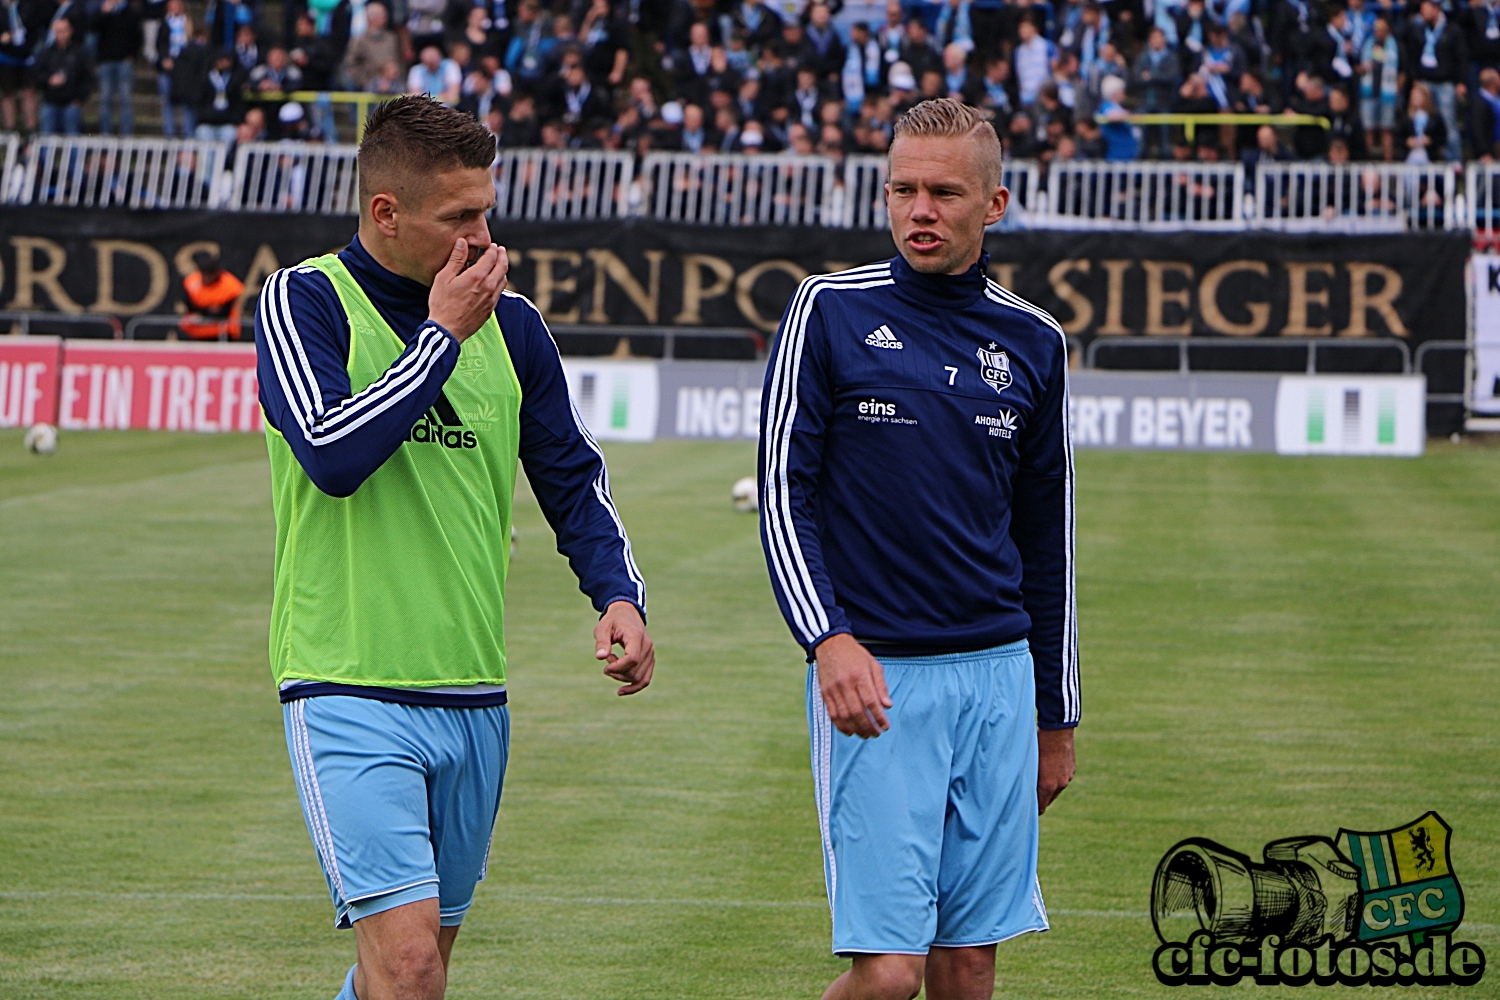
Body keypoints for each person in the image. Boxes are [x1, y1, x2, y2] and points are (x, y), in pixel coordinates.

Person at [254, 95, 654, 1000]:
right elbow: (331, 454)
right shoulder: (306, 300)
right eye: (460, 217)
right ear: (386, 212)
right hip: (346, 682)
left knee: (417, 981)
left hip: (472, 693)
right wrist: (440, 338)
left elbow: (571, 479)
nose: (484, 238)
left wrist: (617, 594)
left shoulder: (514, 328)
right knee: (408, 967)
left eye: (487, 211)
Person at [757, 97, 1077, 1000]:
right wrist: (829, 638)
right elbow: (784, 493)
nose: (919, 211)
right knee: (891, 973)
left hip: (1000, 681)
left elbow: (1048, 544)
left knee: (969, 967)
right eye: (902, 190)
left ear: (994, 205)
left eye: (942, 192)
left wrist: (1056, 716)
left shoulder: (1034, 341)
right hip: (880, 678)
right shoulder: (828, 311)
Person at [32, 17, 92, 135]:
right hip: (50, 102)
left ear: (70, 31)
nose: (61, 34)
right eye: (58, 31)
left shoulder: (80, 53)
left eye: (64, 30)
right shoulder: (46, 53)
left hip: (71, 103)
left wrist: (79, 98)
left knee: (72, 139)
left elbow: (87, 77)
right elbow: (36, 74)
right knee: (46, 138)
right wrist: (49, 80)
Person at [92, 0, 141, 136]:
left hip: (124, 62)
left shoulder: (131, 12)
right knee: (105, 99)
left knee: (125, 100)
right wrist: (103, 13)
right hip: (105, 61)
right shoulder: (102, 10)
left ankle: (126, 134)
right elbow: (92, 28)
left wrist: (132, 55)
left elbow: (137, 36)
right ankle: (105, 133)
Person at [181, 250, 245, 340]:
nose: (206, 279)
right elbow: (190, 306)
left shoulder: (230, 286)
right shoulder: (193, 281)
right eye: (204, 275)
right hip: (196, 331)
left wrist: (203, 313)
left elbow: (223, 312)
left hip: (222, 333)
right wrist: (208, 310)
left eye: (209, 275)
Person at [0, 0, 38, 133]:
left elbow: (34, 26)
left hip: (27, 56)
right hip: (6, 56)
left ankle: (30, 129)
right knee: (8, 93)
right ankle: (10, 128)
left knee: (28, 92)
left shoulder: (28, 5)